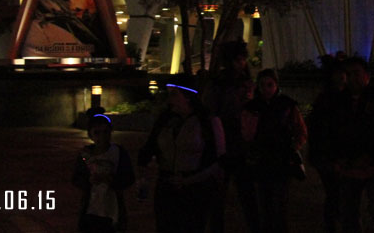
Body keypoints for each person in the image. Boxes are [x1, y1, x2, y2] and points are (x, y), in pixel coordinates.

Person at [137, 79, 226, 233]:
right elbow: (149, 147)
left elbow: (219, 159)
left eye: (174, 94)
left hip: (195, 188)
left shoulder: (207, 121)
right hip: (167, 186)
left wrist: (190, 180)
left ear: (187, 96)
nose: (169, 99)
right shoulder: (165, 120)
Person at [240, 68, 308, 233]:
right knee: (264, 203)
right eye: (262, 85)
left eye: (269, 85)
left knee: (279, 204)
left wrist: (293, 148)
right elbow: (245, 133)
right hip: (261, 159)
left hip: (280, 160)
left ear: (276, 85)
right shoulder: (252, 107)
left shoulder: (287, 105)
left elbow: (301, 131)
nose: (266, 89)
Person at [202, 40, 253, 233]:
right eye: (239, 60)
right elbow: (212, 114)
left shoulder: (244, 82)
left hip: (241, 144)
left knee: (246, 194)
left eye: (243, 59)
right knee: (220, 197)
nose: (242, 63)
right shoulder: (220, 84)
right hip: (225, 143)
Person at [336, 57, 374, 233]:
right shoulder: (339, 100)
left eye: (356, 73)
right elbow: (335, 131)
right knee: (349, 215)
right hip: (349, 166)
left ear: (367, 75)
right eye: (348, 74)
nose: (352, 78)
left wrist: (371, 156)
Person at [73, 113, 135, 232]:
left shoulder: (119, 153)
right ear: (90, 135)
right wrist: (89, 181)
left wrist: (111, 181)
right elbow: (76, 178)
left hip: (112, 209)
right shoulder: (85, 155)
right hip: (91, 208)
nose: (102, 137)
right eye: (97, 133)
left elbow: (129, 178)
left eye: (106, 132)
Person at [306, 55, 348, 233]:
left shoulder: (333, 97)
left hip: (328, 155)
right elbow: (323, 131)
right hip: (328, 155)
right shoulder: (331, 99)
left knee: (335, 192)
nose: (343, 77)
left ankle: (333, 221)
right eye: (340, 73)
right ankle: (332, 222)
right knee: (335, 192)